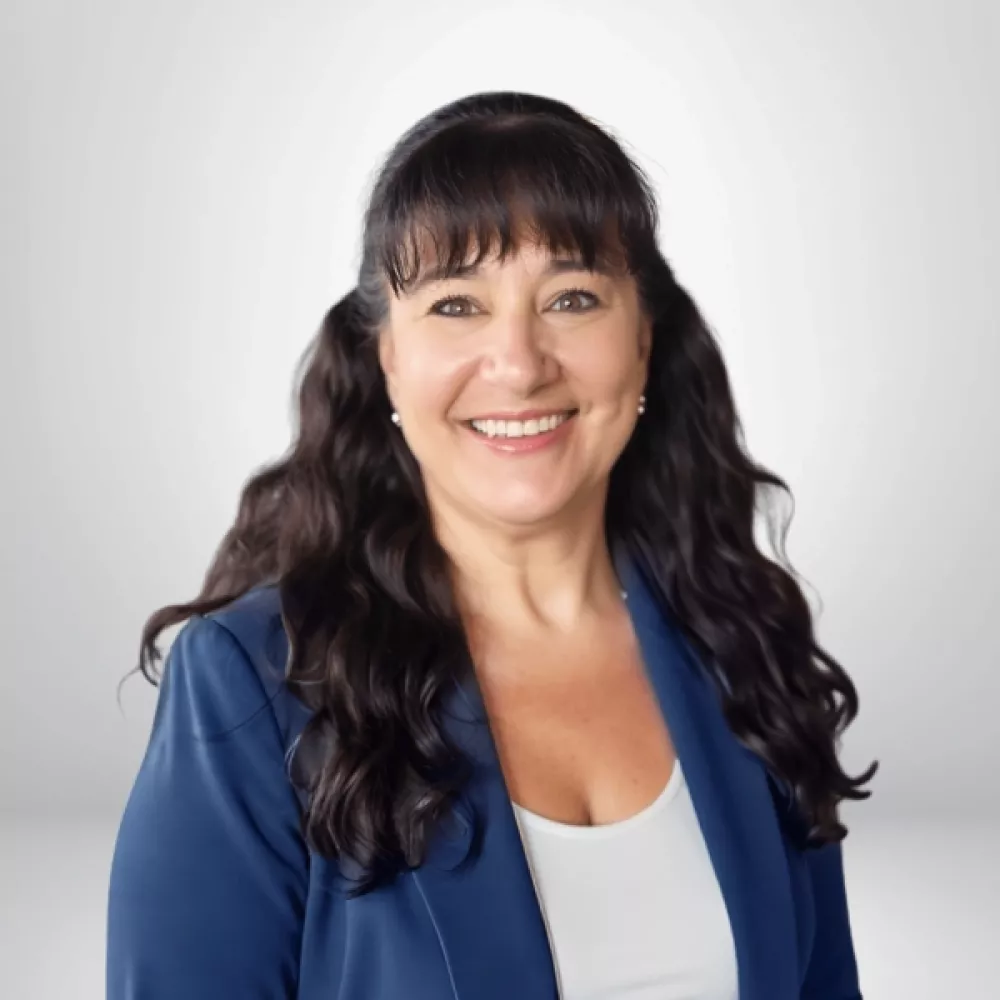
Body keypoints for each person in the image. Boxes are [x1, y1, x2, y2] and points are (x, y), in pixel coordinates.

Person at [106, 91, 877, 1000]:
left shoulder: (743, 647)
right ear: (385, 355)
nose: (517, 361)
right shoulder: (250, 687)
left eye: (573, 298)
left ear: (643, 339)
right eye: (457, 304)